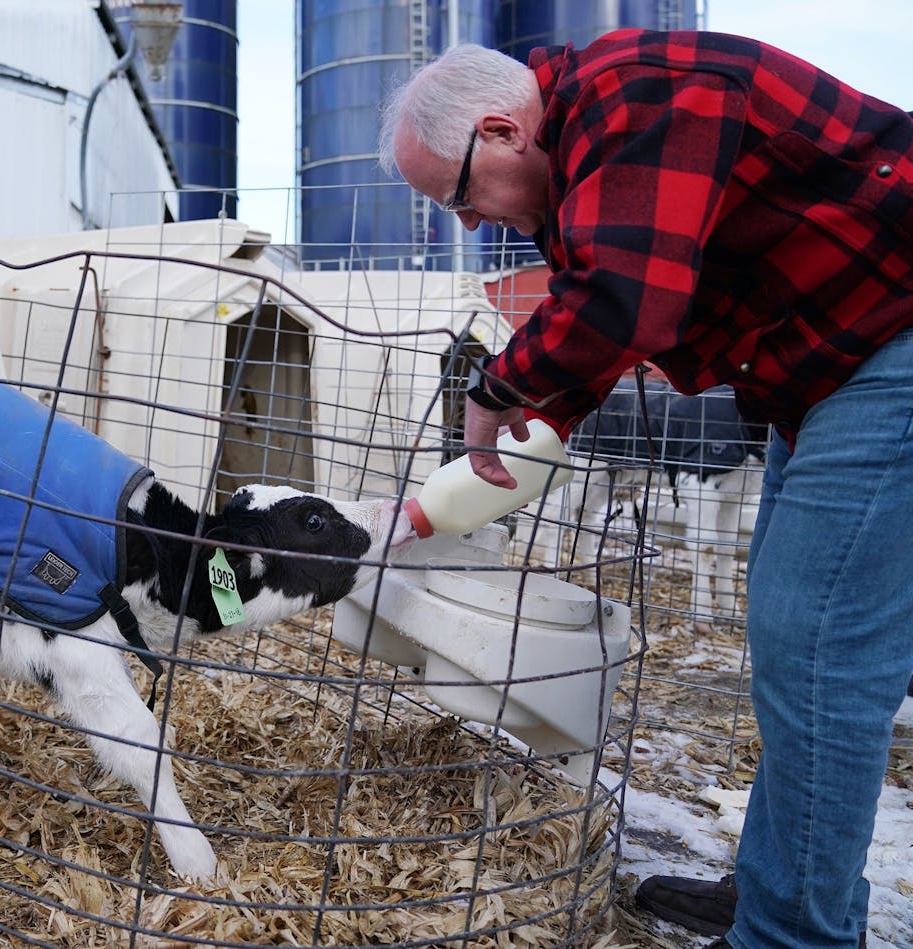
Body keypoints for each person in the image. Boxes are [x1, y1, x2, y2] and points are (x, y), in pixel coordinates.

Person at [378, 29, 913, 949]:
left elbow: (628, 296)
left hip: (893, 340)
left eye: (458, 195)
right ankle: (776, 895)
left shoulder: (637, 95)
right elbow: (610, 301)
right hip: (828, 370)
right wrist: (545, 404)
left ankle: (796, 934)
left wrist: (498, 386)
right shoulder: (591, 154)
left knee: (819, 648)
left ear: (504, 131)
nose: (468, 224)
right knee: (794, 640)